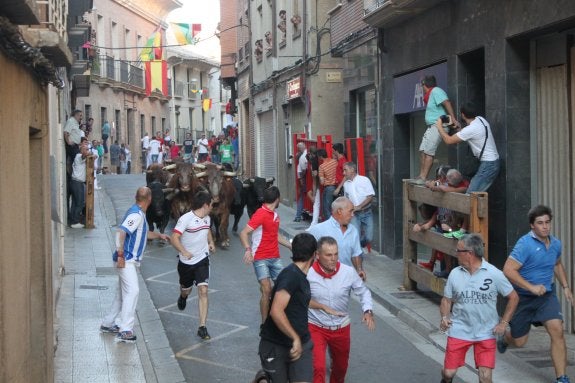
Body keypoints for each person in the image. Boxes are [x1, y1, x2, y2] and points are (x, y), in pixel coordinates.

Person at [499, 205, 574, 383]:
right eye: (540, 223)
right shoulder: (525, 244)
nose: (545, 226)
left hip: (546, 297)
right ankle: (506, 339)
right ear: (532, 225)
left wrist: (565, 287)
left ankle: (562, 377)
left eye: (547, 222)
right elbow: (508, 269)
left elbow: (556, 264)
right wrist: (531, 287)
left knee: (557, 330)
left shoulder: (555, 243)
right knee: (519, 342)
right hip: (523, 298)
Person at [439, 233, 518, 383]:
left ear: (470, 254)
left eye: (458, 250)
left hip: (486, 332)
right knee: (448, 373)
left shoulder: (494, 274)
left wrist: (503, 323)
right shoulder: (455, 274)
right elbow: (446, 300)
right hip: (459, 330)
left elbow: (514, 297)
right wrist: (444, 317)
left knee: (485, 377)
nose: (456, 254)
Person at [100, 187, 169, 342]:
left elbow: (142, 233)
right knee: (133, 291)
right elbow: (121, 232)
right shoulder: (136, 214)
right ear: (149, 199)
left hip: (127, 260)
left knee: (122, 294)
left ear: (136, 197)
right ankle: (125, 329)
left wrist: (159, 235)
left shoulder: (138, 213)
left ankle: (108, 323)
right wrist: (120, 255)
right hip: (127, 260)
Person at [307, 236, 375, 383]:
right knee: (318, 368)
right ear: (317, 256)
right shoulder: (308, 274)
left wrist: (367, 311)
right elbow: (299, 299)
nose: (333, 259)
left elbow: (364, 292)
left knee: (340, 369)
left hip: (341, 328)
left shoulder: (348, 272)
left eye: (336, 254)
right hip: (316, 327)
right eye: (328, 255)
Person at [258, 232, 317, 383]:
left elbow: (298, 303)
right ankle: (262, 378)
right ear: (314, 255)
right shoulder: (290, 276)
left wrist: (323, 307)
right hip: (276, 345)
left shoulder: (300, 277)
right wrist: (294, 337)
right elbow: (276, 311)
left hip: (301, 345)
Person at [240, 186, 292, 325]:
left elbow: (276, 236)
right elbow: (244, 232)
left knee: (283, 287)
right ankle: (265, 324)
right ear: (277, 199)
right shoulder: (260, 214)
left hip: (275, 257)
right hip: (260, 257)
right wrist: (247, 250)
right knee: (266, 290)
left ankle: (277, 314)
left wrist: (291, 246)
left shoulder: (275, 215)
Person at [170, 190, 216, 340]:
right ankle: (182, 296)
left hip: (202, 259)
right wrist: (183, 251)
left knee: (203, 290)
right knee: (187, 290)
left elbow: (207, 229)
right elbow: (174, 238)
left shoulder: (207, 218)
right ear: (205, 205)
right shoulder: (186, 219)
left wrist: (211, 242)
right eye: (211, 205)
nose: (212, 207)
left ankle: (202, 327)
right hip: (186, 263)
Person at [435, 102, 500, 192]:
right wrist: (458, 129)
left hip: (488, 165)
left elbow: (449, 141)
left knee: (471, 196)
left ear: (463, 115)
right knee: (475, 195)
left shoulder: (470, 129)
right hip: (492, 162)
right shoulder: (481, 119)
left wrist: (439, 127)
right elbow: (471, 133)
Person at [308, 197, 365, 280]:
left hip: (345, 279)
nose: (353, 214)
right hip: (323, 279)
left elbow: (355, 253)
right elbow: (309, 255)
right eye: (350, 211)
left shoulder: (353, 230)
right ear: (339, 211)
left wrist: (359, 269)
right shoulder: (318, 230)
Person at [414, 75, 457, 183]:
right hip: (431, 126)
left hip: (438, 125)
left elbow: (447, 103)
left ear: (425, 84)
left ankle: (423, 177)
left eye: (422, 85)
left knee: (429, 152)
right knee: (423, 151)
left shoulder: (436, 91)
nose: (422, 89)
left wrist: (453, 119)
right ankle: (421, 176)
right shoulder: (431, 94)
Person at [341, 162, 375, 252]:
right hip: (354, 214)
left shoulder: (364, 180)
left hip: (367, 212)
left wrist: (359, 206)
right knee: (356, 236)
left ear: (352, 170)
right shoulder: (346, 184)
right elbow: (346, 198)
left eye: (345, 170)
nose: (343, 173)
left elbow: (370, 196)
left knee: (369, 237)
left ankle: (358, 246)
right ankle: (358, 253)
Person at [69, 139, 90, 228]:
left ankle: (73, 220)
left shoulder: (80, 157)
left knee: (74, 202)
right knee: (80, 202)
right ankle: (75, 221)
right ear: (81, 150)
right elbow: (84, 155)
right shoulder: (79, 156)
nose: (88, 151)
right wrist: (87, 152)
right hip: (77, 183)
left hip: (75, 182)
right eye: (86, 149)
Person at [317, 148, 337, 221]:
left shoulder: (322, 167)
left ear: (320, 156)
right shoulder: (334, 161)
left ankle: (330, 226)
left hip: (328, 188)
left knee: (326, 209)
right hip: (336, 187)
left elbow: (322, 182)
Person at [306, 146, 320, 227]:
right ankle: (314, 223)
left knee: (316, 204)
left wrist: (314, 195)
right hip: (319, 185)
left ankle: (314, 224)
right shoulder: (316, 160)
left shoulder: (314, 163)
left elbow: (315, 181)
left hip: (318, 186)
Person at [294, 142, 308, 222]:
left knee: (302, 198)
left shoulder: (302, 158)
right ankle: (300, 215)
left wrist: (302, 181)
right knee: (303, 198)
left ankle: (298, 216)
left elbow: (302, 171)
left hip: (304, 181)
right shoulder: (303, 156)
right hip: (305, 181)